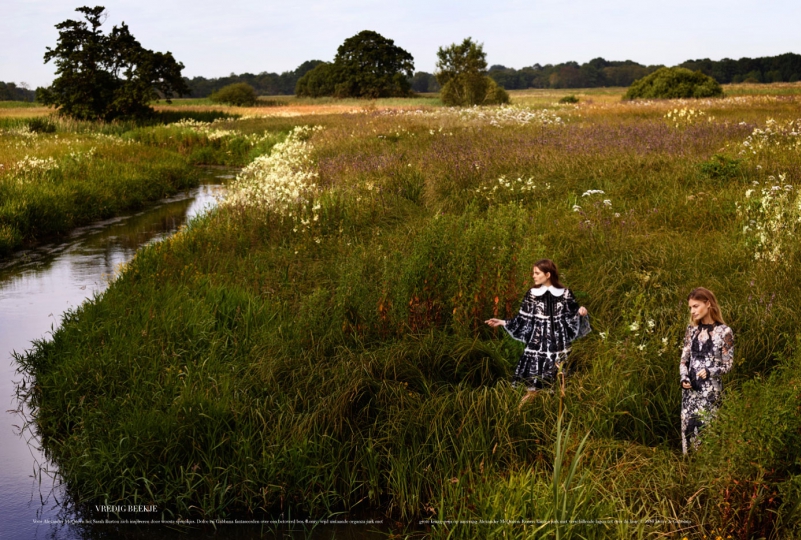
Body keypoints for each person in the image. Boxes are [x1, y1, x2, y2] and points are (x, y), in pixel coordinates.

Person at [485, 259, 590, 405]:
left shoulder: (565, 294)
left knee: (561, 389)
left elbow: (572, 316)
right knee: (533, 390)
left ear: (547, 274)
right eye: (533, 273)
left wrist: (581, 311)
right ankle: (517, 417)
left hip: (560, 346)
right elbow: (522, 319)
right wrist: (502, 322)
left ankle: (556, 419)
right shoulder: (532, 294)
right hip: (538, 346)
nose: (533, 276)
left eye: (537, 273)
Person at [680, 287, 734, 455]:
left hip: (711, 392)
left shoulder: (724, 331)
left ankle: (709, 475)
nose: (692, 311)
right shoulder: (691, 331)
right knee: (688, 433)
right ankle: (688, 472)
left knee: (709, 433)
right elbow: (684, 360)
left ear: (708, 304)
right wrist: (683, 378)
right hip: (690, 394)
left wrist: (710, 371)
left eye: (696, 306)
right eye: (690, 308)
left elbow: (728, 364)